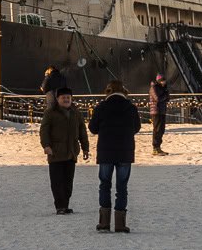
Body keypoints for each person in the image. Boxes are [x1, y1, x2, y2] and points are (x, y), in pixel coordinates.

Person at [88, 79, 142, 233]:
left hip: (106, 151)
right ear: (124, 91)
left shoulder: (101, 107)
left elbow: (92, 128)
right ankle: (120, 224)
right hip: (125, 151)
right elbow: (137, 127)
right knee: (122, 187)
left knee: (104, 184)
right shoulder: (131, 108)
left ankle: (104, 222)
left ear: (108, 91)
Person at [39, 87, 89, 215]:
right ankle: (59, 206)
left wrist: (85, 148)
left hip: (71, 152)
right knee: (57, 182)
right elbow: (44, 130)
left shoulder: (75, 112)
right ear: (58, 99)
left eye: (68, 97)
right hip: (55, 152)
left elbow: (82, 131)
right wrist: (46, 145)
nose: (66, 100)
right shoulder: (50, 113)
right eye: (63, 97)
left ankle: (65, 205)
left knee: (68, 182)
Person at [149, 73, 171, 155]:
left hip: (162, 111)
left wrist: (166, 95)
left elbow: (166, 98)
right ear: (158, 81)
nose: (164, 82)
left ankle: (158, 147)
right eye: (162, 81)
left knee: (161, 129)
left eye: (164, 81)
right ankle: (155, 147)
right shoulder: (154, 87)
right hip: (156, 111)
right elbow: (157, 98)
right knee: (157, 129)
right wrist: (165, 95)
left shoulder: (162, 88)